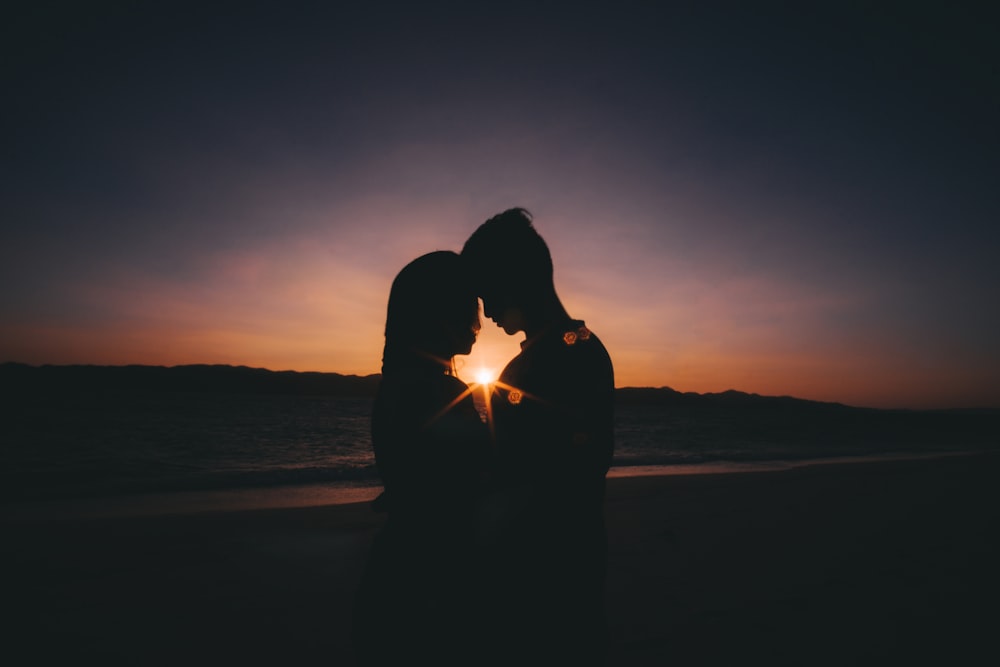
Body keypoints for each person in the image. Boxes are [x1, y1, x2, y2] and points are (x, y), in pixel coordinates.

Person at [462, 208, 616, 666]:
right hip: (560, 569)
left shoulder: (568, 355)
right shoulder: (557, 352)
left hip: (547, 577)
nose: (485, 311)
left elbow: (553, 475)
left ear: (513, 281)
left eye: (486, 293)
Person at [351, 250, 491, 667]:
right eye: (469, 308)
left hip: (401, 571)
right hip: (431, 583)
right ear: (439, 313)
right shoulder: (436, 392)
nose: (478, 323)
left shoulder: (399, 384)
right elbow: (475, 479)